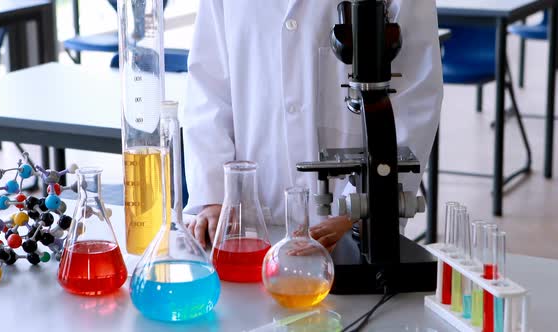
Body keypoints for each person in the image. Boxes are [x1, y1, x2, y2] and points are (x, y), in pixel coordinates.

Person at [182, 0, 443, 250]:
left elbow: (416, 94)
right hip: (244, 223)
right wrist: (214, 195)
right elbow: (209, 85)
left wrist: (364, 208)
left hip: (350, 227)